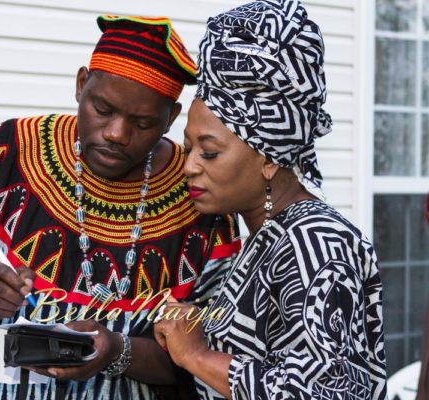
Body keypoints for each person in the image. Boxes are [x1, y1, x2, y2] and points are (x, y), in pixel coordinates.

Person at [0, 15, 240, 400]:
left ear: (170, 118)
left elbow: (206, 351)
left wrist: (115, 352)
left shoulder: (200, 194)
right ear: (80, 85)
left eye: (142, 122)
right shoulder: (3, 155)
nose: (116, 134)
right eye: (103, 109)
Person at [153, 1, 387, 399]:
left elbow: (333, 390)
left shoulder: (316, 242)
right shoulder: (267, 236)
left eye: (208, 152)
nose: (189, 166)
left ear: (269, 158)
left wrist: (197, 357)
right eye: (188, 146)